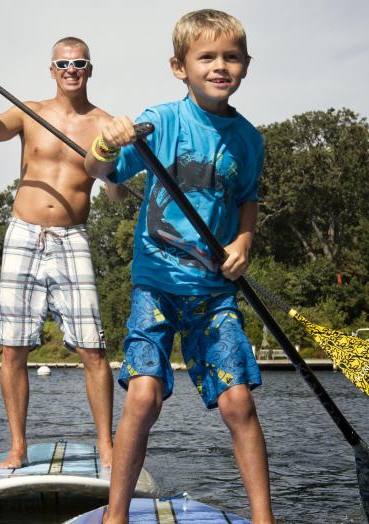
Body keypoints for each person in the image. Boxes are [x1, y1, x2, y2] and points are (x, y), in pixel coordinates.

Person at [84, 9, 274, 523]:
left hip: (214, 291)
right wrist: (107, 141)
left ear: (246, 65)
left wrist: (244, 240)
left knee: (238, 402)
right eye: (206, 57)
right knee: (143, 397)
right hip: (157, 285)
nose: (219, 66)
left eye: (231, 57)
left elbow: (248, 197)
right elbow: (99, 169)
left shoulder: (249, 140)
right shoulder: (162, 121)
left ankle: (265, 519)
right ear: (179, 67)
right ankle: (116, 515)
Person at [0, 37, 123, 469]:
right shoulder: (29, 112)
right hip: (23, 234)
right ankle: (18, 446)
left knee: (93, 349)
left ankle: (106, 446)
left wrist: (112, 163)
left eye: (79, 63)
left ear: (90, 69)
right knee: (13, 348)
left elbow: (117, 194)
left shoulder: (106, 125)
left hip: (73, 238)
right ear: (52, 70)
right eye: (63, 64)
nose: (71, 70)